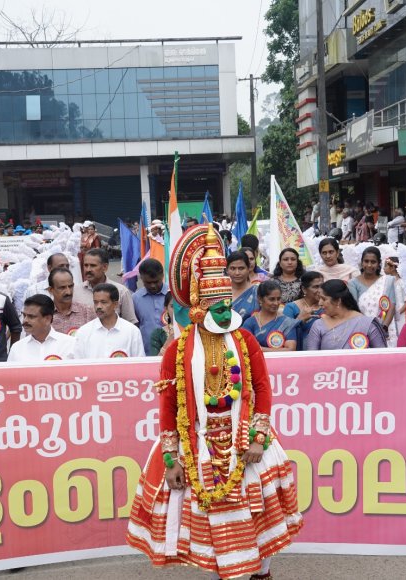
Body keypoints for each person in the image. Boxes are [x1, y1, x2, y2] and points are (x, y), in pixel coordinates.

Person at [126, 225, 302, 579]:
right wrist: (171, 460)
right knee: (215, 534)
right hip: (199, 448)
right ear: (197, 309)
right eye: (215, 307)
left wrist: (257, 438)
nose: (224, 313)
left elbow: (263, 390)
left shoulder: (246, 340)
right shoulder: (177, 351)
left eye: (226, 305)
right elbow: (168, 409)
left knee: (261, 525)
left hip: (249, 444)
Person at [305, 279, 386, 350]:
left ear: (338, 301)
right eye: (319, 299)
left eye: (323, 299)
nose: (320, 303)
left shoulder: (367, 324)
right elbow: (312, 359)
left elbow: (382, 357)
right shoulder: (318, 325)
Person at [73, 283, 144, 359]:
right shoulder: (84, 332)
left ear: (115, 304)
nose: (98, 306)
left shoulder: (132, 331)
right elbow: (78, 364)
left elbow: (139, 363)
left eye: (103, 302)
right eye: (96, 302)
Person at [78, 248, 138, 324]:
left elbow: (131, 323)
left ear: (105, 267)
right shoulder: (76, 291)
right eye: (86, 265)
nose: (88, 269)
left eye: (93, 266)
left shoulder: (121, 291)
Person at [8, 294, 75, 362]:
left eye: (31, 317)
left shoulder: (70, 344)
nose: (25, 320)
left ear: (47, 319)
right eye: (24, 315)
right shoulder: (17, 348)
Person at [242, 280, 298, 352]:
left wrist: (259, 349)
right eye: (272, 299)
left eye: (278, 299)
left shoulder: (286, 323)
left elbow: (291, 349)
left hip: (281, 362)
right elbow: (245, 348)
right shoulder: (250, 322)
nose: (276, 303)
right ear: (260, 299)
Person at [133, 258, 169, 355]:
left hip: (171, 351)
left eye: (156, 281)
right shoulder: (136, 298)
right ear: (141, 278)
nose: (153, 286)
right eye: (148, 283)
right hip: (147, 353)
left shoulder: (172, 295)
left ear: (162, 276)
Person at [283, 271, 324, 351]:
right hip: (300, 352)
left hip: (325, 352)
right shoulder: (291, 307)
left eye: (322, 286)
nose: (320, 290)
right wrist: (299, 320)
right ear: (304, 289)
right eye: (316, 287)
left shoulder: (327, 306)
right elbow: (284, 332)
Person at [46, 267, 93, 336]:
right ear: (51, 290)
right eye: (62, 288)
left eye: (70, 286)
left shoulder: (87, 312)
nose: (68, 292)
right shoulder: (43, 315)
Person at [227, 251, 259, 322]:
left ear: (248, 269)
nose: (237, 273)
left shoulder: (257, 292)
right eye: (233, 268)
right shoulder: (221, 292)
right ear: (227, 270)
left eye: (241, 268)